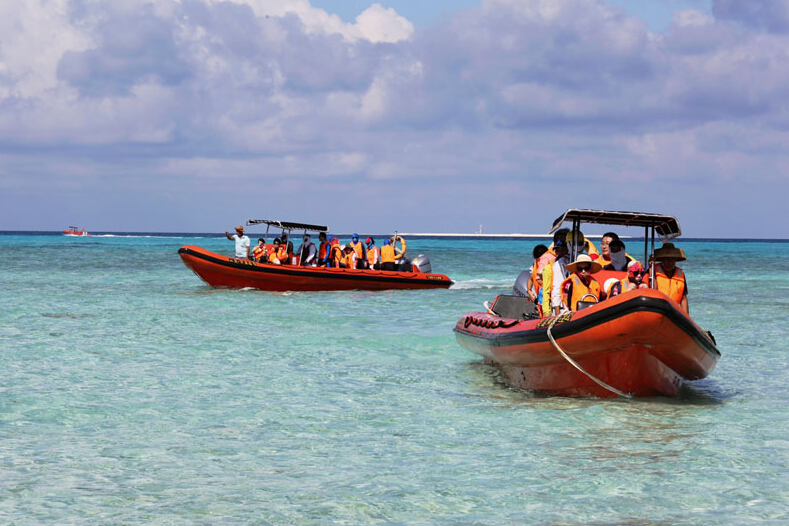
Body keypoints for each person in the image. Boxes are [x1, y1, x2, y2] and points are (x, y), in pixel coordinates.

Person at [651, 242, 689, 314]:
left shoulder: (680, 274)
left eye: (671, 259)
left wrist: (687, 318)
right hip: (658, 310)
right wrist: (650, 269)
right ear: (661, 259)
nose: (668, 262)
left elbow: (683, 298)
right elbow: (652, 290)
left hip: (674, 312)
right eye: (665, 259)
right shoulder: (653, 271)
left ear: (675, 260)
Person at [541, 228, 569, 317]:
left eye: (563, 249)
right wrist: (547, 312)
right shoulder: (552, 267)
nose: (561, 253)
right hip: (560, 307)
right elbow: (548, 291)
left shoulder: (574, 261)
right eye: (558, 250)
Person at [549, 239, 572, 315]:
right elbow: (557, 288)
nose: (559, 253)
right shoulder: (559, 264)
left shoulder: (561, 263)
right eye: (557, 251)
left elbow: (557, 287)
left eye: (561, 250)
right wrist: (557, 312)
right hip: (565, 304)